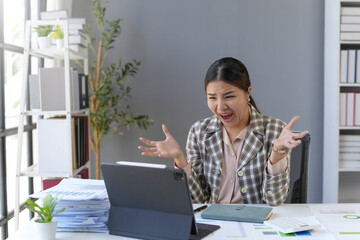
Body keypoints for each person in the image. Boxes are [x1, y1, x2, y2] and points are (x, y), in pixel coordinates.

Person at [138, 57, 308, 206]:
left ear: (247, 93)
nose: (220, 107)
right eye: (212, 98)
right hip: (215, 222)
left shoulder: (275, 131)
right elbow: (198, 198)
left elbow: (274, 201)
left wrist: (277, 152)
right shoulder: (199, 132)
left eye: (229, 97)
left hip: (255, 224)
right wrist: (180, 159)